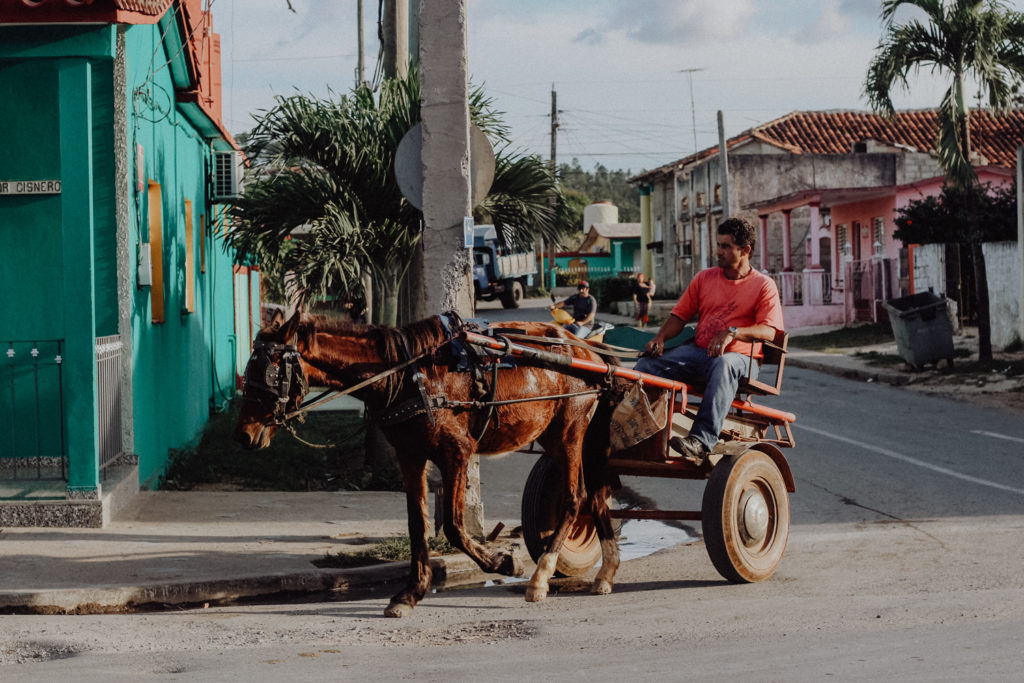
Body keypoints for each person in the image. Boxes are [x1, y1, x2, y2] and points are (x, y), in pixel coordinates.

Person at [633, 217, 784, 465]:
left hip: (742, 361)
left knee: (724, 363)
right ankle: (638, 431)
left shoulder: (763, 285)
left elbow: (769, 332)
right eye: (718, 245)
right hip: (700, 355)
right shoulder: (705, 278)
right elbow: (679, 316)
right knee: (648, 367)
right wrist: (660, 337)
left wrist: (733, 332)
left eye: (726, 246)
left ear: (745, 250)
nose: (718, 252)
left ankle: (701, 440)